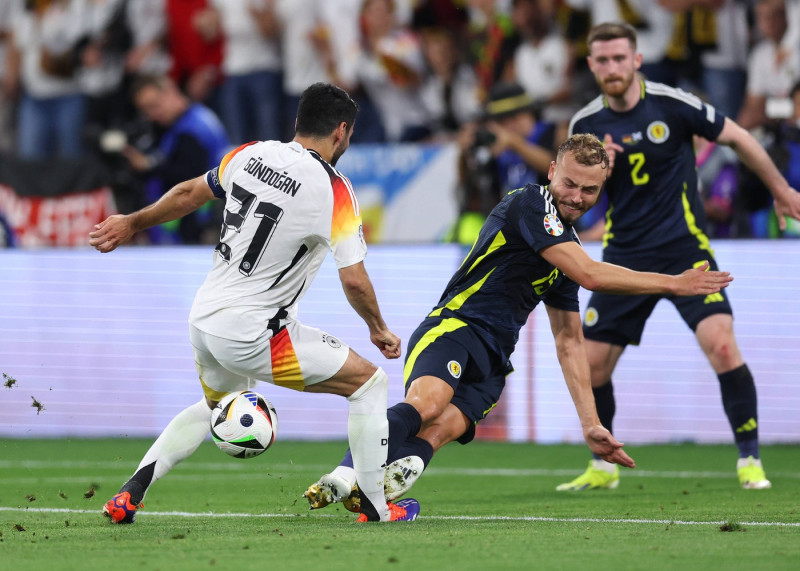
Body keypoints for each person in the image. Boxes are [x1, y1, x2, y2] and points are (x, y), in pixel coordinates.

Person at [303, 133, 734, 513]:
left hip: (494, 361)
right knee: (429, 404)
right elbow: (591, 274)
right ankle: (343, 476)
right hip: (454, 328)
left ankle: (380, 488)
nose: (576, 197)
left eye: (589, 190)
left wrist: (590, 423)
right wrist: (672, 283)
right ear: (551, 172)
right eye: (569, 183)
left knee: (439, 432)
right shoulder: (531, 203)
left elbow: (568, 341)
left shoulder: (568, 247)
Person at [90, 82, 419, 524]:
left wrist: (133, 221)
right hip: (257, 334)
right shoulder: (333, 189)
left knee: (214, 405)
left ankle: (132, 491)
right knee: (369, 384)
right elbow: (355, 281)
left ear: (297, 123)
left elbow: (189, 192)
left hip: (205, 321)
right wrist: (378, 327)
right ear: (341, 132)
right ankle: (378, 507)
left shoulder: (249, 153)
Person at [559, 22, 800, 492]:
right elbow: (571, 196)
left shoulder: (674, 104)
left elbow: (740, 138)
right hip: (624, 256)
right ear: (591, 66)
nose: (611, 68)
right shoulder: (585, 126)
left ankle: (750, 461)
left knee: (723, 346)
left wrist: (782, 189)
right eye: (602, 61)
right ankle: (602, 467)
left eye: (619, 58)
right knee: (592, 365)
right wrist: (599, 171)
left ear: (636, 60)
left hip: (685, 250)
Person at [122, 74, 230, 244]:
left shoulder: (191, 130)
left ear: (170, 91)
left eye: (154, 105)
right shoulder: (193, 119)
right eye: (145, 110)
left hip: (198, 225)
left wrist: (148, 166)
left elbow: (189, 178)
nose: (152, 115)